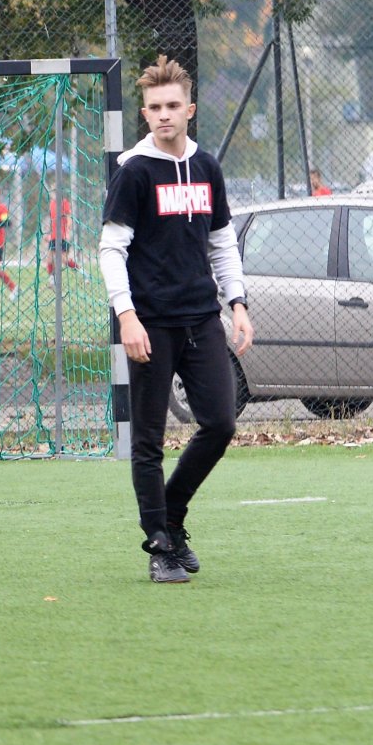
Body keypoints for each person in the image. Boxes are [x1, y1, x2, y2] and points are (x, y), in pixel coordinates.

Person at [100, 56, 253, 584]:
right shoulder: (134, 171)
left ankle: (173, 515)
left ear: (189, 110)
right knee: (147, 440)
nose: (164, 115)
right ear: (145, 113)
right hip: (149, 324)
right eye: (155, 108)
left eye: (173, 107)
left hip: (201, 319)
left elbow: (221, 242)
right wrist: (127, 317)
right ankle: (159, 545)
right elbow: (110, 251)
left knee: (220, 422)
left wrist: (238, 304)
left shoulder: (207, 168)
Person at [44, 193, 80, 277]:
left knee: (64, 259)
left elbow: (68, 218)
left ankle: (81, 272)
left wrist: (67, 232)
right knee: (50, 258)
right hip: (53, 235)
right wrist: (49, 233)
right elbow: (52, 221)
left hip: (61, 235)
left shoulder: (64, 202)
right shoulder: (52, 203)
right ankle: (52, 279)